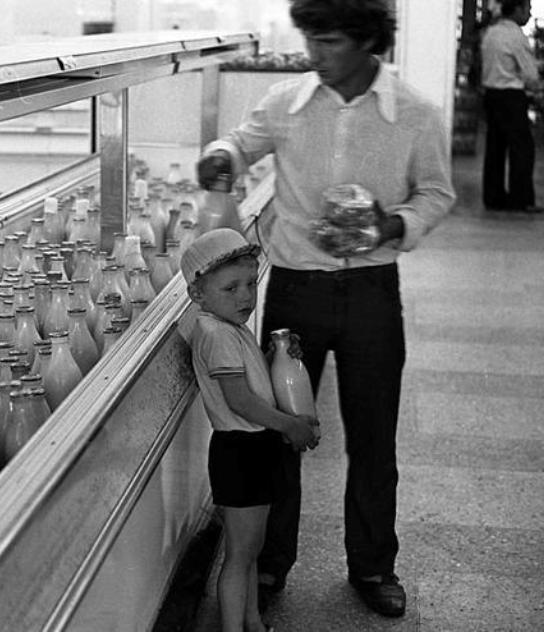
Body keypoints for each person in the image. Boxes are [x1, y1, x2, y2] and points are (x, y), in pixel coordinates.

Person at [196, 0, 455, 619]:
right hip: (294, 289)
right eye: (310, 38)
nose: (315, 53)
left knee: (372, 436)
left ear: (367, 41)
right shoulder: (285, 102)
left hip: (371, 291)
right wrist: (221, 156)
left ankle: (373, 566)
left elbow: (437, 192)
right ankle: (270, 561)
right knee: (277, 432)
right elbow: (240, 144)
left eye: (330, 41)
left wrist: (392, 223)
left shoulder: (414, 113)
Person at [182, 228, 319, 632]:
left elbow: (251, 380)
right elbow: (240, 400)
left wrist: (276, 355)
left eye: (250, 284)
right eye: (230, 288)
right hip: (240, 452)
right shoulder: (216, 333)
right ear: (197, 294)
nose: (244, 297)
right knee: (240, 555)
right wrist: (289, 425)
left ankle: (253, 622)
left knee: (251, 550)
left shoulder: (228, 327)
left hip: (253, 448)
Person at [480, 0, 543, 213]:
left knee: (495, 148)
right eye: (528, 9)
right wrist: (536, 88)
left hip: (491, 95)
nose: (529, 14)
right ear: (516, 9)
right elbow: (530, 74)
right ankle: (520, 199)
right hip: (511, 97)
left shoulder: (491, 33)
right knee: (522, 149)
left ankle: (493, 197)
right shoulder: (515, 36)